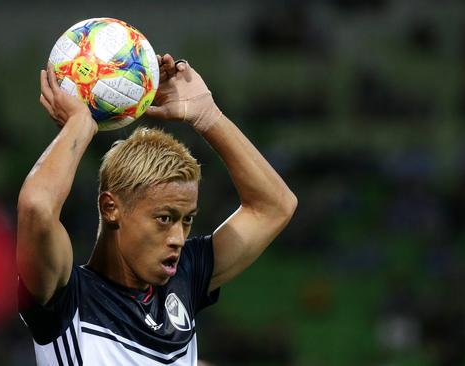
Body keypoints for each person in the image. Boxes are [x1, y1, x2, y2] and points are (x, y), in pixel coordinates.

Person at [17, 54, 297, 365]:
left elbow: (275, 206)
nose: (178, 238)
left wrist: (207, 116)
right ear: (111, 208)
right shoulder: (65, 295)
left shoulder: (184, 277)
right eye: (164, 219)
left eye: (187, 220)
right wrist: (81, 124)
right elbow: (36, 208)